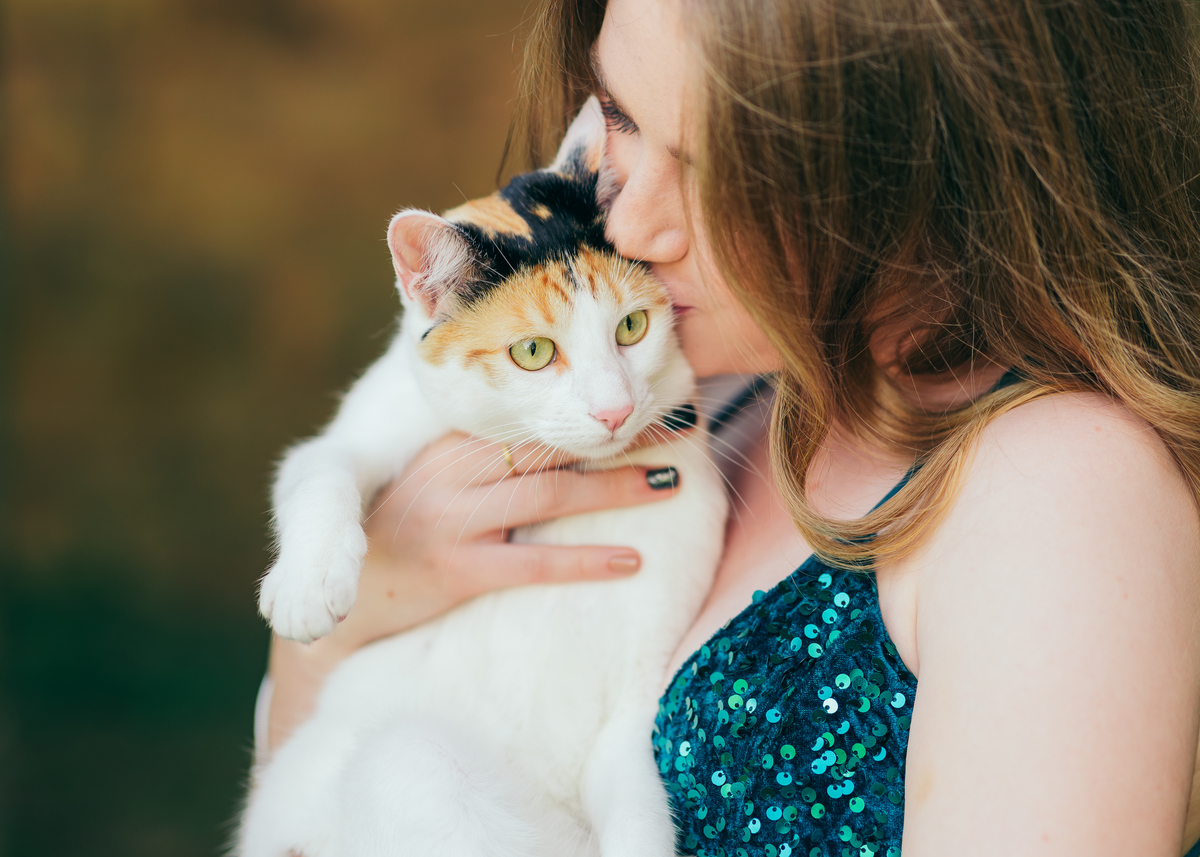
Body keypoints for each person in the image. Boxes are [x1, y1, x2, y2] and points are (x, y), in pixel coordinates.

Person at [260, 0, 1200, 854]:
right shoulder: (730, 391)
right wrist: (341, 629)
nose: (630, 228)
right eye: (621, 119)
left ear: (937, 164)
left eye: (724, 171)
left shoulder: (1060, 499)